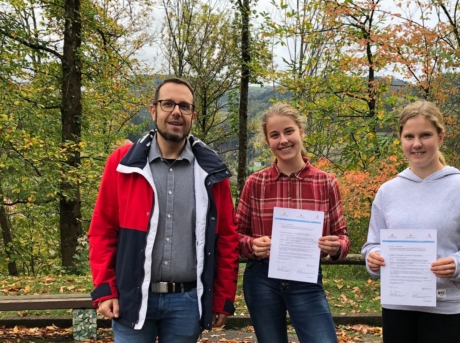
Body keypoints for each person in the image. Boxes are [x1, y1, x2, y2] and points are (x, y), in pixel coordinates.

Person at [88, 77, 239, 343]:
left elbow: (227, 238)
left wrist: (223, 297)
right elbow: (102, 231)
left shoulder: (212, 172)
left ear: (193, 114)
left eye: (184, 106)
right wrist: (105, 289)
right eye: (168, 103)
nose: (176, 112)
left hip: (187, 302)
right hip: (132, 296)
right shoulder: (123, 164)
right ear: (153, 110)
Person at [361, 100, 460, 342]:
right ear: (400, 139)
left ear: (440, 137)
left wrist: (458, 263)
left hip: (445, 306)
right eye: (409, 136)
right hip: (397, 306)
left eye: (425, 135)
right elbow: (372, 245)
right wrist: (372, 259)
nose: (416, 144)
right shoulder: (387, 191)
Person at [237, 103, 350, 343]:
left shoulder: (325, 182)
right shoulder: (255, 183)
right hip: (262, 278)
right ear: (268, 141)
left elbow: (342, 236)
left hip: (306, 279)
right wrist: (252, 245)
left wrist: (336, 246)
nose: (283, 140)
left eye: (289, 131)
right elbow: (236, 235)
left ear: (301, 132)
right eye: (274, 135)